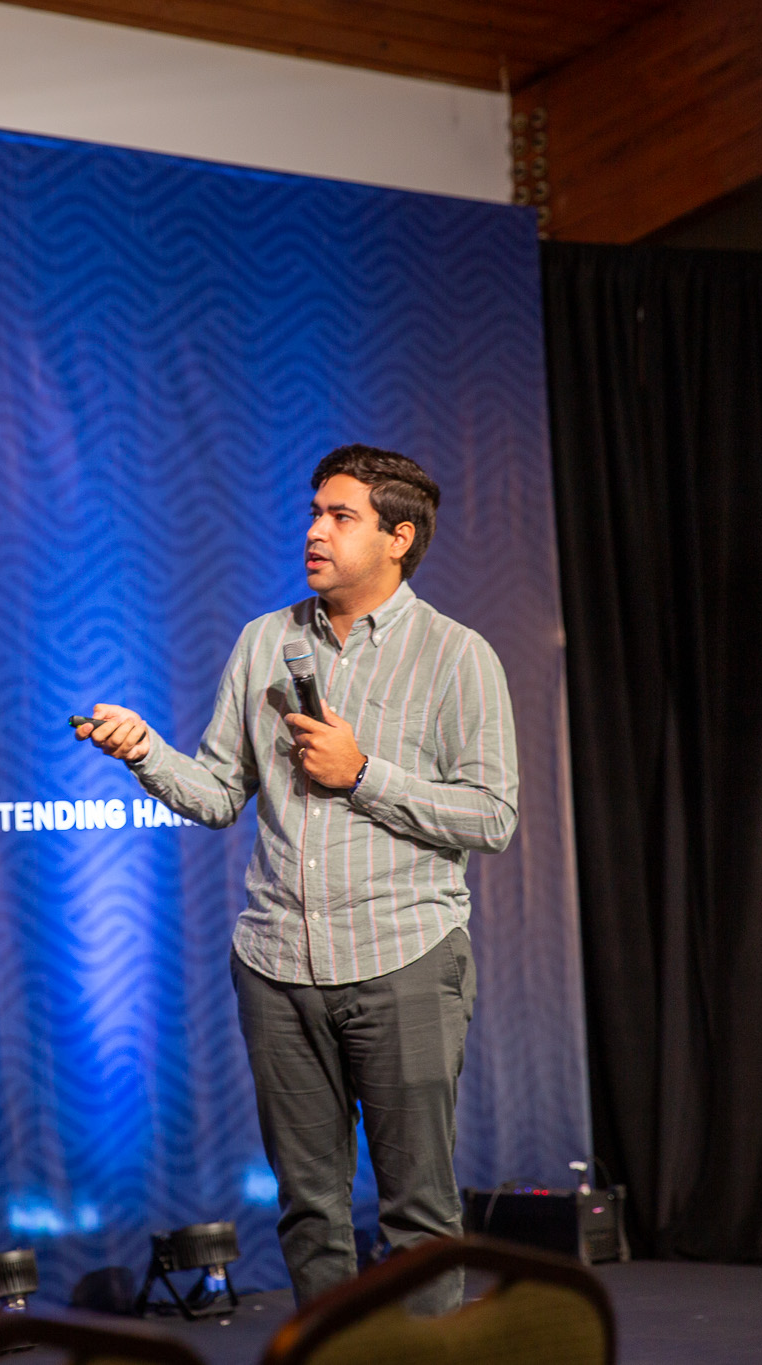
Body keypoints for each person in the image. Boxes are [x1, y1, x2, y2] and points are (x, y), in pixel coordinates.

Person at [78, 443, 519, 1315]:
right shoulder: (264, 641)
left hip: (405, 961)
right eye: (314, 512)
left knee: (419, 1215)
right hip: (278, 968)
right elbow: (215, 794)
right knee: (309, 1212)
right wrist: (143, 750)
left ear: (398, 537)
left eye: (340, 516)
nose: (315, 531)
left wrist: (364, 772)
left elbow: (491, 817)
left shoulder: (457, 656)